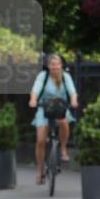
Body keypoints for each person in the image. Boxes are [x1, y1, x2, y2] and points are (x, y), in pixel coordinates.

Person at [29, 53, 79, 183]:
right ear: (48, 66)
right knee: (40, 140)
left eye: (57, 65)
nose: (55, 67)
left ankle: (63, 148)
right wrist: (33, 100)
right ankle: (40, 170)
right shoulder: (43, 76)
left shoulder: (65, 76)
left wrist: (73, 100)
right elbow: (35, 89)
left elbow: (72, 91)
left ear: (61, 65)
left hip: (61, 107)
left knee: (63, 121)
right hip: (44, 108)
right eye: (52, 65)